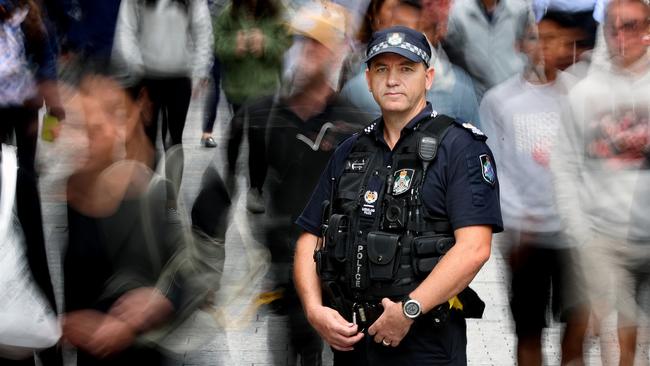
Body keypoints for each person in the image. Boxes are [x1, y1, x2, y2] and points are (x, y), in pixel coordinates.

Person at [293, 25, 502, 365]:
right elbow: (309, 237)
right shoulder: (349, 151)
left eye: (406, 69)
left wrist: (409, 310)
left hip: (426, 344)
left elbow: (475, 248)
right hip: (353, 341)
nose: (393, 80)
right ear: (369, 78)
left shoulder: (460, 148)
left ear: (428, 77)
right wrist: (315, 310)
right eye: (382, 69)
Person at [480, 12, 589, 366]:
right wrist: (513, 221)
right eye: (537, 38)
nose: (546, 47)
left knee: (577, 329)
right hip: (527, 237)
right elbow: (494, 167)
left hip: (575, 236)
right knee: (528, 332)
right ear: (520, 45)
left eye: (555, 39)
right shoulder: (500, 101)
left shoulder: (580, 96)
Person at [552, 1, 650, 365]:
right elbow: (563, 165)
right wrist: (579, 232)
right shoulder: (584, 94)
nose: (622, 36)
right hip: (602, 237)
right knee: (612, 330)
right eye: (615, 27)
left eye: (631, 26)